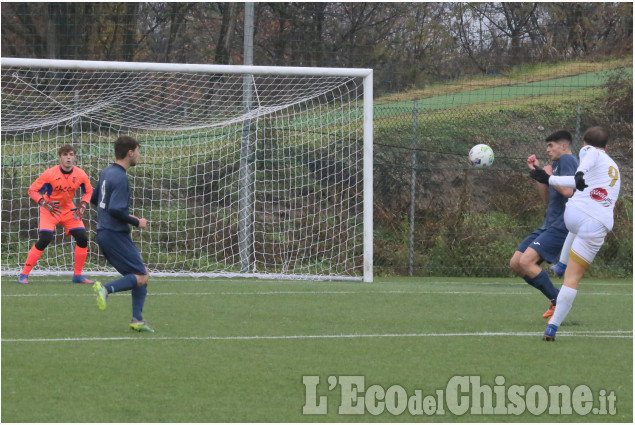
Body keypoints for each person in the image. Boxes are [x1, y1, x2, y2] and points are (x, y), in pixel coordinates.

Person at [530, 127, 621, 341]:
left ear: (584, 143)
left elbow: (585, 164)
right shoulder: (613, 166)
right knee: (572, 280)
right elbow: (577, 180)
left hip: (575, 215)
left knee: (574, 226)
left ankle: (561, 263)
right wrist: (549, 179)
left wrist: (551, 178)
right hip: (599, 224)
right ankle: (552, 327)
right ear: (607, 148)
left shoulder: (589, 152)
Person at [510, 130, 578, 319]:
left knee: (526, 261)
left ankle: (559, 302)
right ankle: (557, 301)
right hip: (549, 223)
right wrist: (539, 175)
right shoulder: (556, 166)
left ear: (563, 146)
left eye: (551, 145)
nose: (547, 150)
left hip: (563, 225)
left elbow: (568, 191)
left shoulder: (568, 161)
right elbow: (547, 200)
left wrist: (546, 176)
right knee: (516, 263)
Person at [91, 136, 153, 333]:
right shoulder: (121, 177)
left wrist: (118, 215)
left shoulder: (107, 172)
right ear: (130, 152)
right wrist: (137, 221)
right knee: (141, 275)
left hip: (105, 231)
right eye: (138, 151)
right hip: (114, 233)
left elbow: (95, 199)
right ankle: (106, 289)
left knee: (140, 272)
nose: (139, 155)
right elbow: (116, 209)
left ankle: (138, 319)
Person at [18, 145, 94, 284]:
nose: (68, 157)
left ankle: (78, 276)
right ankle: (24, 274)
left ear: (74, 157)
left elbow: (88, 191)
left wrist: (83, 205)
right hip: (50, 210)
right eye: (65, 155)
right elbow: (32, 190)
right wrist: (43, 202)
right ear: (60, 158)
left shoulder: (80, 174)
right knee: (45, 239)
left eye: (71, 154)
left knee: (82, 238)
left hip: (69, 210)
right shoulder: (49, 174)